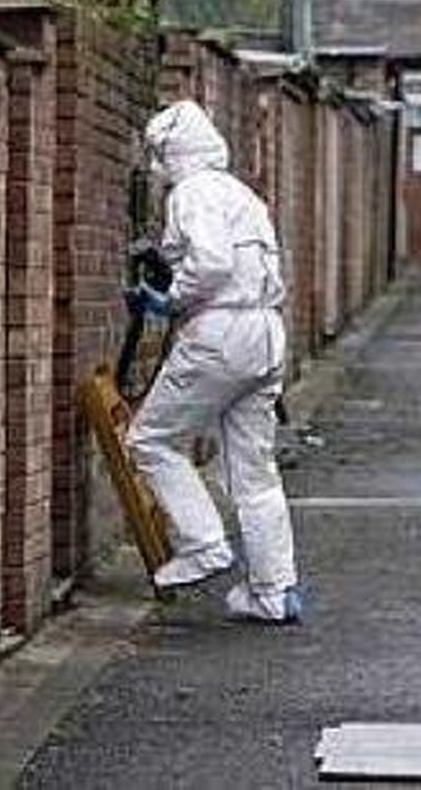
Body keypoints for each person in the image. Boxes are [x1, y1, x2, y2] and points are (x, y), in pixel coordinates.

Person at [126, 99, 303, 624]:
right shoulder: (238, 193)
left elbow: (211, 263)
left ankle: (203, 544)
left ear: (176, 152)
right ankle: (274, 590)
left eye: (160, 156)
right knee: (254, 472)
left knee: (150, 439)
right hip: (267, 331)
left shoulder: (194, 193)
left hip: (221, 331)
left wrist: (168, 299)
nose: (157, 169)